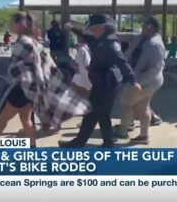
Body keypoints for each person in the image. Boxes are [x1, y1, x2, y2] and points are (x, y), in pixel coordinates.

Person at [59, 14, 139, 148]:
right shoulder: (100, 39)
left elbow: (122, 62)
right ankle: (108, 142)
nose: (91, 31)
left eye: (93, 28)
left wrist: (133, 80)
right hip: (105, 81)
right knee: (103, 113)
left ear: (102, 28)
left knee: (92, 113)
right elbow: (86, 37)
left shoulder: (110, 44)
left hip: (107, 83)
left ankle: (79, 142)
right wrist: (73, 28)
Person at [0, 11, 39, 147]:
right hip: (29, 88)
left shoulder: (23, 41)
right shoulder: (31, 40)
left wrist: (9, 81)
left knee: (1, 121)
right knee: (26, 120)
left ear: (20, 24)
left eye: (14, 22)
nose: (12, 25)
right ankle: (33, 148)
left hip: (20, 88)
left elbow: (16, 67)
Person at [115, 16, 166, 144]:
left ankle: (123, 131)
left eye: (144, 26)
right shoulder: (143, 38)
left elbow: (156, 68)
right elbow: (129, 36)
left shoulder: (155, 44)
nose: (141, 28)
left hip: (146, 81)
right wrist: (111, 33)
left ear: (150, 27)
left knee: (126, 103)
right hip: (144, 80)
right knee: (143, 107)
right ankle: (144, 136)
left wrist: (138, 82)